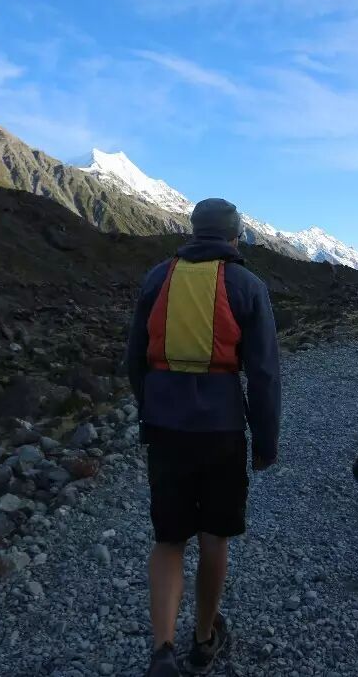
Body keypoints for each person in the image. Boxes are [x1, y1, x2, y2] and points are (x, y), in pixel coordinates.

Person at [126, 198, 281, 677]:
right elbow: (264, 374)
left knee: (169, 538)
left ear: (193, 231)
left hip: (165, 427)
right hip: (222, 429)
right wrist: (266, 442)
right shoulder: (247, 285)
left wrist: (150, 407)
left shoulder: (158, 277)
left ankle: (162, 650)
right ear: (235, 236)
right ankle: (203, 637)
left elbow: (134, 358)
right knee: (215, 535)